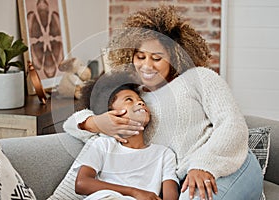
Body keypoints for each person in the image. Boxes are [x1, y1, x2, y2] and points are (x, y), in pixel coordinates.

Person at [64, 5, 263, 200]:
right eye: (140, 57)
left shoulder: (199, 78)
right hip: (184, 180)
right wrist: (97, 123)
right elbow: (71, 125)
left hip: (226, 166)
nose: (146, 65)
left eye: (157, 58)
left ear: (175, 57)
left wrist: (203, 165)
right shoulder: (135, 97)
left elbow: (232, 124)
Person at [74, 71, 179, 200]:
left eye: (141, 101)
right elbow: (81, 184)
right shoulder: (103, 145)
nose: (140, 103)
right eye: (129, 100)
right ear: (111, 113)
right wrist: (134, 192)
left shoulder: (164, 154)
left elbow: (171, 194)